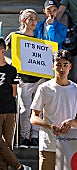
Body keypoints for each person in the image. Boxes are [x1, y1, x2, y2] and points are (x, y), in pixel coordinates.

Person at [5, 9, 46, 148]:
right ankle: (25, 137)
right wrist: (10, 63)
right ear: (23, 21)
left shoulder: (39, 39)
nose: (34, 22)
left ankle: (35, 136)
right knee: (25, 109)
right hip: (23, 79)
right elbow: (2, 51)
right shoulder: (14, 36)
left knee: (38, 109)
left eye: (35, 19)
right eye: (30, 19)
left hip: (39, 79)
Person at [0, 37, 32, 170]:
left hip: (9, 110)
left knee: (6, 144)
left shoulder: (11, 69)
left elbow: (14, 92)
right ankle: (20, 168)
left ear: (3, 50)